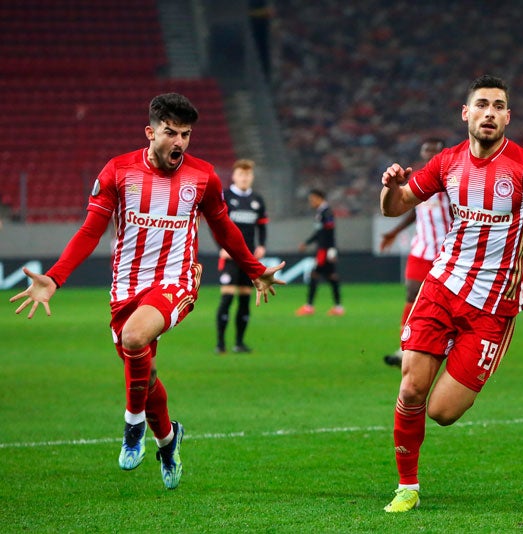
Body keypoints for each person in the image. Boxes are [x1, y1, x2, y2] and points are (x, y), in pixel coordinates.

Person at [9, 93, 285, 490]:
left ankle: (133, 425)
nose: (179, 142)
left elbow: (223, 228)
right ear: (150, 131)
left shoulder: (203, 176)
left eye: (185, 135)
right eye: (170, 132)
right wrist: (54, 277)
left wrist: (255, 270)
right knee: (146, 371)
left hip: (177, 280)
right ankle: (169, 440)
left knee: (134, 337)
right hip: (126, 287)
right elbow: (91, 230)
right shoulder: (118, 171)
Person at [379, 75, 523, 513]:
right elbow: (396, 206)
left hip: (493, 307)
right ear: (466, 113)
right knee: (412, 388)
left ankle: (461, 357)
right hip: (442, 286)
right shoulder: (447, 162)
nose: (490, 112)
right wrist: (391, 186)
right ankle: (408, 485)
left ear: (508, 117)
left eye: (499, 106)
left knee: (442, 411)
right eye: (482, 104)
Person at [379, 138, 450, 367]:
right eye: (426, 150)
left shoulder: (451, 178)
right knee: (411, 294)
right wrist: (393, 231)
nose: (429, 153)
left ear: (441, 153)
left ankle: (444, 344)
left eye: (434, 150)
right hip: (421, 248)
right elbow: (412, 209)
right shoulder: (419, 178)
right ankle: (404, 348)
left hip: (447, 250)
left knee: (446, 302)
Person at [216, 158, 269, 354]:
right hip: (231, 257)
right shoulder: (226, 197)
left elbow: (262, 225)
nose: (245, 178)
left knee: (246, 299)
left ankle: (239, 342)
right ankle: (220, 343)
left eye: (248, 175)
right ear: (234, 176)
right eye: (241, 174)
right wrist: (221, 247)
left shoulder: (257, 200)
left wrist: (262, 245)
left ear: (252, 177)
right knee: (227, 298)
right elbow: (217, 226)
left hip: (248, 258)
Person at [295, 188, 344, 316]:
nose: (311, 202)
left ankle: (309, 307)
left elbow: (329, 233)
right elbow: (319, 233)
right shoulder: (320, 212)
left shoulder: (327, 213)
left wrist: (331, 250)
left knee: (316, 275)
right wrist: (306, 243)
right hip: (323, 249)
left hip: (325, 250)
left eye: (312, 199)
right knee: (331, 277)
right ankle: (338, 307)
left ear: (319, 198)